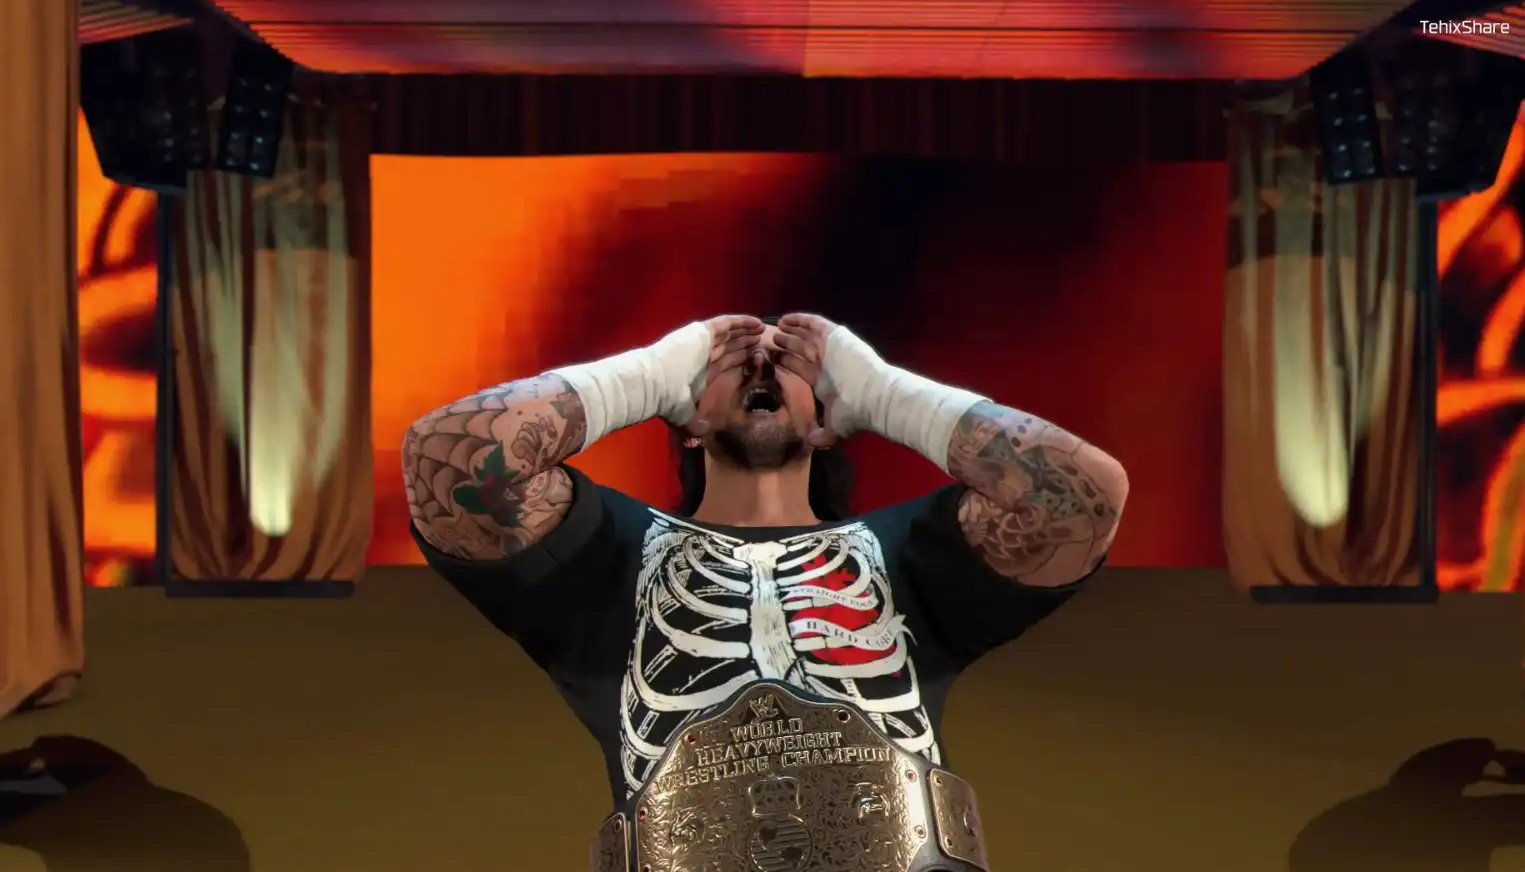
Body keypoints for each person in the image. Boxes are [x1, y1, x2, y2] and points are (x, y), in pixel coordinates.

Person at [403, 313, 1130, 872]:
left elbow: (1081, 497)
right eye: (729, 363)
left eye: (788, 362)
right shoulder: (607, 554)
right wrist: (647, 377)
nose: (760, 365)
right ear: (687, 417)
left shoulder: (906, 556)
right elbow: (448, 455)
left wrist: (885, 394)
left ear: (830, 417)